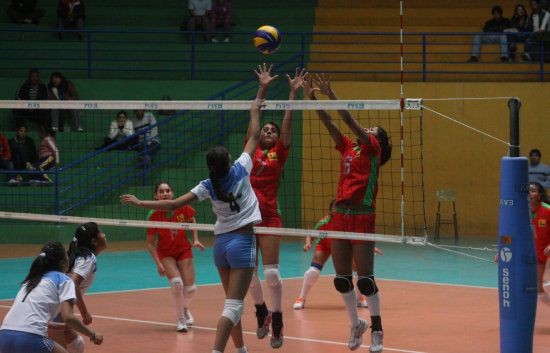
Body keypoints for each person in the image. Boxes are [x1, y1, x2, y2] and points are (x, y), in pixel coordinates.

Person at [121, 63, 275, 353]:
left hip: (221, 245)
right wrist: (262, 88)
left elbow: (172, 204)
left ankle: (240, 350)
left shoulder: (207, 184)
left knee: (233, 302)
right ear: (229, 161)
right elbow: (254, 133)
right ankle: (217, 351)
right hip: (242, 241)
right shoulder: (242, 168)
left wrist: (141, 202)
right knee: (233, 305)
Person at [304, 73, 392, 352]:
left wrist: (332, 94)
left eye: (373, 129)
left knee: (365, 281)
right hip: (340, 216)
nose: (369, 130)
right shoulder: (348, 147)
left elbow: (349, 121)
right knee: (342, 280)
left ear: (378, 140)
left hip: (363, 215)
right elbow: (330, 123)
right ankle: (356, 325)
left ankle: (377, 328)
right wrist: (312, 99)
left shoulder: (372, 149)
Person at [246, 67, 307, 349]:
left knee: (270, 274)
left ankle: (278, 319)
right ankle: (261, 313)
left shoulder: (279, 153)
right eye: (266, 130)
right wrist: (263, 88)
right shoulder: (252, 147)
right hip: (246, 217)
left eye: (273, 131)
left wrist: (293, 93)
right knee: (248, 271)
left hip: (269, 216)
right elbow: (254, 115)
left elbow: (288, 124)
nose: (269, 132)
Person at [0, 241, 103, 353]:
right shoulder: (63, 280)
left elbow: (34, 321)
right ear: (63, 262)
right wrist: (92, 334)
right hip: (30, 338)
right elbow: (68, 317)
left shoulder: (31, 281)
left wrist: (63, 326)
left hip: (4, 336)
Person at [293, 199, 384, 310]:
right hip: (325, 245)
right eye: (333, 207)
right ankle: (301, 298)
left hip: (343, 247)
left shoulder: (348, 222)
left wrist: (370, 248)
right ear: (330, 210)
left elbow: (358, 238)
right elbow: (310, 234)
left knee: (359, 270)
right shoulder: (325, 222)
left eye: (337, 207)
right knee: (313, 272)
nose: (335, 210)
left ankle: (360, 298)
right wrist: (308, 244)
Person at [146, 181, 204, 332]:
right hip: (166, 253)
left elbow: (192, 221)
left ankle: (184, 308)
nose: (165, 194)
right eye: (161, 191)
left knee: (190, 289)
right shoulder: (153, 215)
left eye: (167, 191)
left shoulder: (182, 207)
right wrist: (158, 263)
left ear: (172, 193)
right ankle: (181, 319)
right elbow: (151, 243)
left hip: (184, 250)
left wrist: (195, 239)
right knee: (177, 283)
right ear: (156, 196)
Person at [49, 223, 107, 352]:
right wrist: (85, 313)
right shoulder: (88, 259)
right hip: (53, 309)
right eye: (101, 233)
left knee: (76, 346)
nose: (105, 235)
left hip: (56, 308)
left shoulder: (76, 257)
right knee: (75, 347)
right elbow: (73, 283)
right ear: (94, 241)